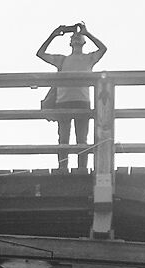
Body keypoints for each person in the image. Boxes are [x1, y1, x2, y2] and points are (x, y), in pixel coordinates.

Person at [35, 22, 107, 171]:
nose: (76, 37)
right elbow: (40, 53)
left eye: (78, 36)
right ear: (70, 43)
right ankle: (63, 168)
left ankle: (81, 169)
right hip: (65, 102)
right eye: (74, 36)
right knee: (64, 139)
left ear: (83, 42)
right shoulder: (62, 60)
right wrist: (53, 35)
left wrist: (87, 33)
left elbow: (103, 49)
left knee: (81, 139)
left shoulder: (88, 58)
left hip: (80, 102)